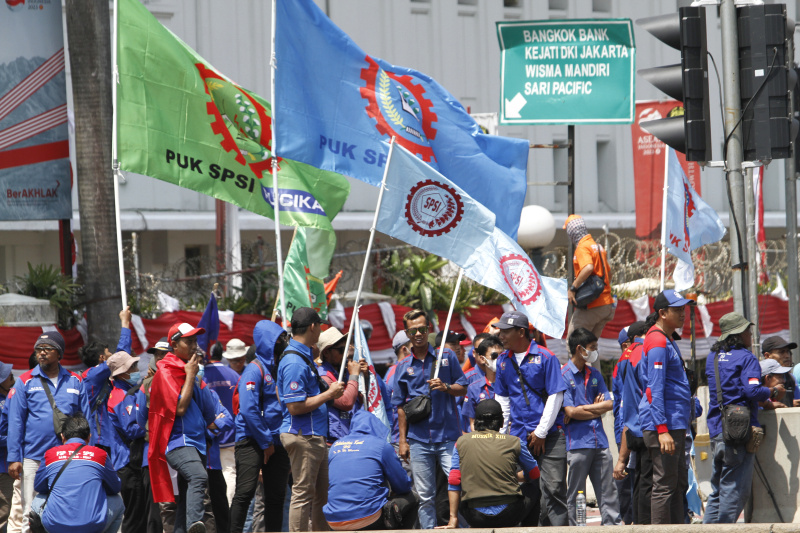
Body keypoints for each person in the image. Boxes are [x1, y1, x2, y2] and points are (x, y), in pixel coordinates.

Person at [391, 309, 468, 530]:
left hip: (448, 437)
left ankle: (460, 525)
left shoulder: (447, 356)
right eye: (413, 330)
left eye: (422, 329)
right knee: (425, 496)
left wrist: (446, 387)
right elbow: (401, 408)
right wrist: (403, 441)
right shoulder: (403, 367)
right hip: (418, 440)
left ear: (429, 330)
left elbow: (462, 388)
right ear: (407, 333)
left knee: (458, 483)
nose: (418, 334)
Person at [7, 331, 90, 532]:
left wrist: (88, 454)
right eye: (38, 349)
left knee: (66, 507)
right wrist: (14, 457)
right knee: (30, 511)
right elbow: (15, 421)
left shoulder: (75, 381)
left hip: (67, 457)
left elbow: (85, 420)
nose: (41, 353)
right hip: (34, 458)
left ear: (59, 353)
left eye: (47, 349)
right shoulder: (25, 381)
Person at [493, 310, 567, 526]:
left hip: (550, 436)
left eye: (506, 331)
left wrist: (541, 432)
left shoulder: (546, 357)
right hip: (517, 438)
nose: (501, 336)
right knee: (522, 490)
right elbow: (502, 402)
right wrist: (501, 436)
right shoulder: (502, 361)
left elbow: (556, 396)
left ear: (521, 332)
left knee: (553, 490)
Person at [148, 322, 220, 533]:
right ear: (174, 344)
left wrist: (194, 377)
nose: (194, 346)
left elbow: (210, 414)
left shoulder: (190, 370)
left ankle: (184, 527)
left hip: (196, 441)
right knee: (198, 477)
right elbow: (179, 408)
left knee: (187, 495)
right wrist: (190, 375)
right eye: (188, 341)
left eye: (195, 341)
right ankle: (193, 527)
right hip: (179, 441)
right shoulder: (167, 371)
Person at [703, 312, 775, 524]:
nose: (750, 335)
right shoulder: (746, 358)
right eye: (748, 331)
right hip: (739, 432)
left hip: (716, 428)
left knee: (716, 491)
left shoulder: (713, 357)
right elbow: (752, 391)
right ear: (740, 334)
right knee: (734, 492)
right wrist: (770, 392)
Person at [277, 308, 344, 532]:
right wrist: (329, 394)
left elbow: (282, 394)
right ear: (313, 327)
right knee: (303, 493)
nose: (321, 330)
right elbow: (294, 407)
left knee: (321, 494)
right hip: (304, 434)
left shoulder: (301, 355)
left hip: (312, 434)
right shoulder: (295, 361)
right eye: (320, 326)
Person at [229, 320, 291, 533]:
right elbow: (248, 409)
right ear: (268, 342)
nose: (285, 341)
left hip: (276, 441)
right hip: (251, 439)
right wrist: (265, 442)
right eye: (280, 338)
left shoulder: (280, 367)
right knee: (245, 493)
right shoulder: (254, 371)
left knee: (276, 497)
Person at [639, 290, 694, 525]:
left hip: (674, 422)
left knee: (676, 483)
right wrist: (662, 430)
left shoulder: (667, 338)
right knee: (665, 485)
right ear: (662, 313)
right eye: (678, 309)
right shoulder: (658, 340)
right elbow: (655, 388)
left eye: (684, 309)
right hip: (664, 425)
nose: (683, 314)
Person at [441, 399, 540, 529]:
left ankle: (456, 520)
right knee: (533, 489)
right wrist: (510, 477)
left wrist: (453, 518)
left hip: (474, 516)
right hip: (509, 514)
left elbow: (454, 480)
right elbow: (534, 473)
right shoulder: (515, 441)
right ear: (501, 421)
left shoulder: (461, 442)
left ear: (476, 421)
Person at [561, 328, 621, 526]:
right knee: (576, 493)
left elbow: (610, 403)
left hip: (600, 441)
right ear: (580, 349)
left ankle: (611, 526)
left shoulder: (594, 373)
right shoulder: (563, 375)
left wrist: (585, 408)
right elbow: (570, 412)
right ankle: (577, 528)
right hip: (577, 443)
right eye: (592, 348)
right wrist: (597, 408)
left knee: (608, 490)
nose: (595, 351)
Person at [323, 410, 417, 530]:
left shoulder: (335, 446)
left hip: (333, 520)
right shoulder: (381, 446)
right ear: (375, 426)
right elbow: (403, 485)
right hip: (367, 518)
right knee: (413, 498)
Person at [29, 415, 122, 533]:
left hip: (54, 525)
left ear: (62, 436)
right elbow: (115, 488)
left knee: (38, 499)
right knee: (118, 501)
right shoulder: (100, 455)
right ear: (89, 437)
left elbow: (39, 487)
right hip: (92, 525)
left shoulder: (50, 454)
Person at [106, 351, 147, 533]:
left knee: (139, 513)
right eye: (133, 367)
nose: (137, 369)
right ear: (122, 373)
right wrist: (151, 426)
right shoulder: (120, 396)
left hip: (130, 460)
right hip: (128, 462)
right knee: (134, 516)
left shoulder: (127, 392)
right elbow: (130, 430)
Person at [137, 338, 174, 533]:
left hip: (178, 451)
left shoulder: (185, 379)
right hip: (152, 455)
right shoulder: (146, 385)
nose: (161, 358)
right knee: (155, 509)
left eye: (165, 354)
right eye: (158, 354)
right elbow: (140, 417)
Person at [611, 322, 646, 525]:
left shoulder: (622, 364)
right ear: (627, 344)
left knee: (633, 483)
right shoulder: (627, 363)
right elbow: (625, 403)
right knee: (631, 483)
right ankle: (631, 523)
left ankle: (632, 522)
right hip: (630, 429)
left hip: (627, 428)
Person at [564, 214, 615, 339]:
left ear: (572, 231)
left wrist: (573, 289)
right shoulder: (597, 246)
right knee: (590, 347)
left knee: (574, 342)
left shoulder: (582, 247)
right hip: (606, 304)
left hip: (593, 304)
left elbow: (588, 268)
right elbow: (609, 273)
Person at [203, 341, 240, 504]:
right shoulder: (234, 375)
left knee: (220, 476)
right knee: (230, 473)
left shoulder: (202, 376)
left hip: (212, 438)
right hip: (232, 433)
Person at [317, 327, 362, 444]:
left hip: (350, 437)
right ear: (326, 353)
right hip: (333, 442)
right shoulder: (323, 377)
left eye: (346, 349)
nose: (346, 354)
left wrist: (365, 377)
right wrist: (354, 376)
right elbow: (346, 402)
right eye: (341, 350)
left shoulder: (343, 373)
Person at [462, 336, 502, 431]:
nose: (499, 360)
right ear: (482, 358)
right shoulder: (473, 388)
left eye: (502, 356)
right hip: (483, 440)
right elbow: (472, 422)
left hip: (507, 439)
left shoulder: (512, 384)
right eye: (494, 356)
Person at [761, 336, 799, 407]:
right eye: (781, 352)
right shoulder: (758, 376)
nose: (787, 356)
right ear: (767, 355)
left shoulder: (791, 378)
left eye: (788, 351)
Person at [0, 362, 14, 531]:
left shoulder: (9, 397)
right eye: (7, 375)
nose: (12, 377)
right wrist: (16, 439)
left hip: (8, 465)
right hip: (3, 469)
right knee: (4, 510)